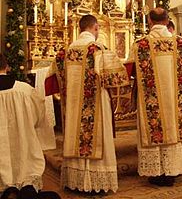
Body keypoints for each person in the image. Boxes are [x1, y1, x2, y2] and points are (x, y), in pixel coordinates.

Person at [45, 15, 129, 193]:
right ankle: (96, 184)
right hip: (96, 105)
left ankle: (77, 181)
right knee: (98, 137)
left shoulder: (64, 52)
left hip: (74, 108)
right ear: (96, 28)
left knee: (76, 137)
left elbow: (50, 81)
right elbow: (118, 78)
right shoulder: (99, 49)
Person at [126, 8, 182, 186]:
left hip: (151, 101)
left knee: (154, 130)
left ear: (150, 21)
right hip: (177, 102)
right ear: (167, 22)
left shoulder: (140, 44)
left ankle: (157, 173)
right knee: (174, 130)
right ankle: (173, 170)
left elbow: (129, 71)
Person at [0, 54, 46, 193]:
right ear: (7, 66)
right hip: (24, 145)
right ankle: (26, 189)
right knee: (27, 172)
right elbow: (38, 117)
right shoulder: (25, 90)